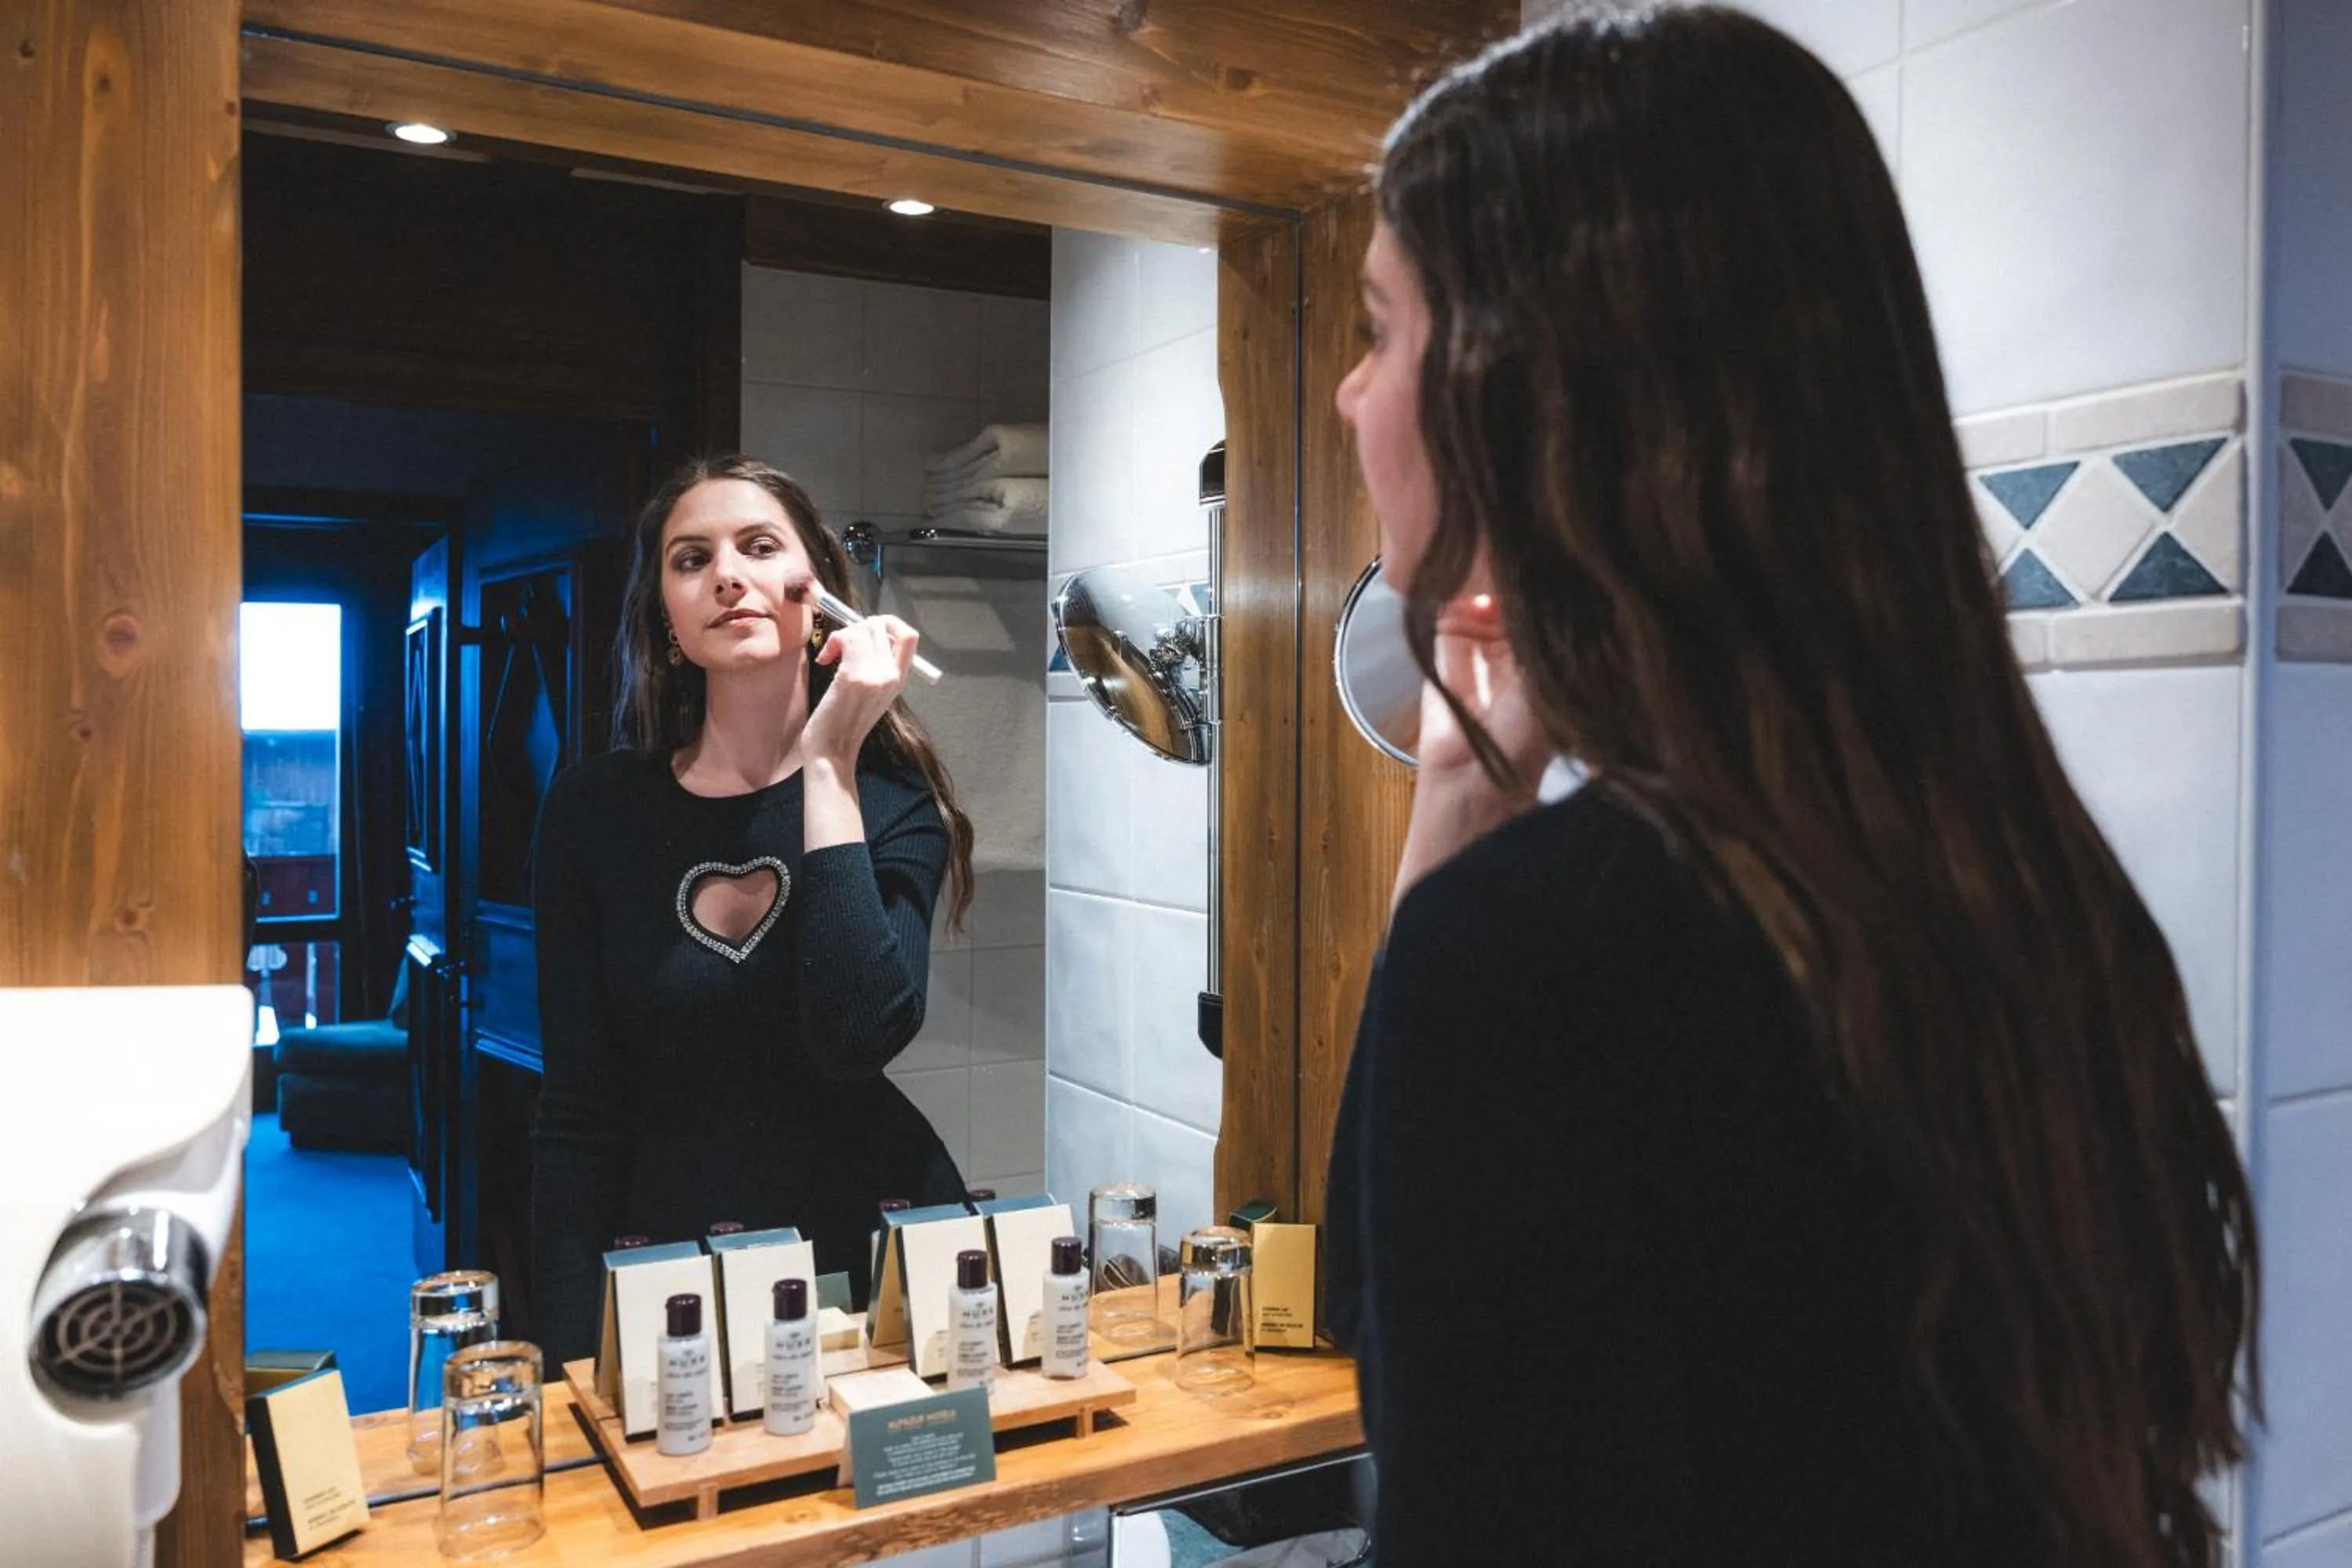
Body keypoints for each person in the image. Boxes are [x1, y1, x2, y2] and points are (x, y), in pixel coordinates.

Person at [1323, 9, 2258, 1566]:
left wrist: (1477, 874)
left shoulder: (1541, 951)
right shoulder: (2010, 873)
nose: (1353, 398)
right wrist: (1462, 795)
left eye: (1379, 328)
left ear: (1527, 381)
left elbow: (1448, 1463)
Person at [530, 454, 975, 1367]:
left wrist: (827, 767)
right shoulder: (593, 811)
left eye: (760, 546)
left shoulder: (893, 803)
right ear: (664, 614)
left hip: (883, 1245)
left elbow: (858, 1034)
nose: (727, 574)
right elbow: (577, 1106)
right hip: (671, 1266)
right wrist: (570, 1344)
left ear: (818, 592)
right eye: (691, 559)